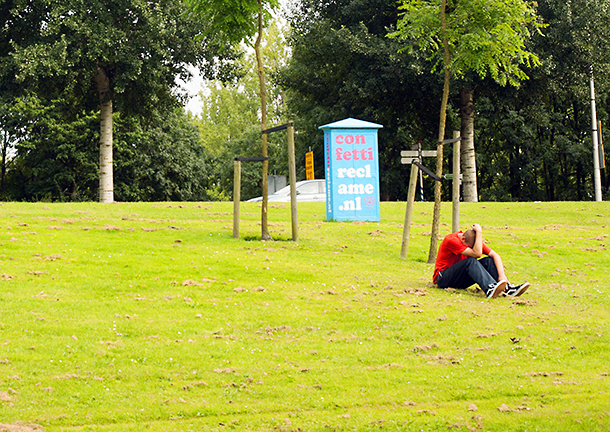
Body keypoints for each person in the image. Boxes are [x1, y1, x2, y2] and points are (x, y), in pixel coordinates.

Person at [433, 223, 530, 298]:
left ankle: (508, 289)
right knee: (471, 261)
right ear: (463, 239)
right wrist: (479, 232)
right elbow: (477, 254)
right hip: (443, 278)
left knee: (489, 261)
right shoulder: (451, 240)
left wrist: (502, 276)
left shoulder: (473, 240)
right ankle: (490, 288)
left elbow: (495, 255)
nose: (473, 249)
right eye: (471, 248)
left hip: (459, 279)